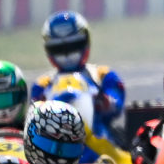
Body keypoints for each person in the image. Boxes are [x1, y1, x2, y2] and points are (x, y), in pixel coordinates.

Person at [32, 11, 128, 147]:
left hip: (100, 143)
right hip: (55, 145)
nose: (66, 54)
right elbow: (34, 121)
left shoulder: (103, 76)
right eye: (59, 48)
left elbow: (116, 105)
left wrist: (101, 101)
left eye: (73, 46)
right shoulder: (42, 85)